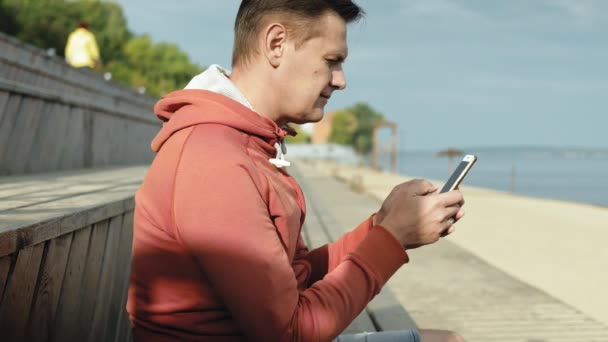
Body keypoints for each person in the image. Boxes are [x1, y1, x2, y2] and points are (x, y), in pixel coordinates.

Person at [127, 1, 466, 341]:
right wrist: (392, 238)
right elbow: (291, 333)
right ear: (276, 44)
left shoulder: (247, 145)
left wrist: (381, 224)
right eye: (331, 61)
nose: (341, 81)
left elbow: (295, 278)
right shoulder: (214, 162)